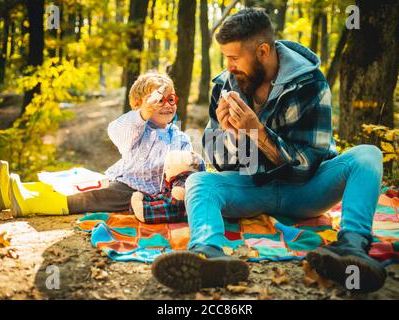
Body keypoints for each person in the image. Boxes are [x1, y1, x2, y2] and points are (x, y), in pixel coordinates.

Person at [152, 8, 386, 293]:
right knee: (199, 181)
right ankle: (207, 255)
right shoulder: (225, 85)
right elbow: (219, 163)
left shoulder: (310, 83)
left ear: (262, 50)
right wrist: (232, 137)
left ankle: (351, 248)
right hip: (253, 187)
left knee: (367, 155)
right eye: (225, 57)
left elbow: (307, 167)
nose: (229, 66)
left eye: (234, 58)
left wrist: (259, 134)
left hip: (308, 190)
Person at [0, 72, 192, 217]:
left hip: (136, 193)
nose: (167, 104)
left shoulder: (180, 138)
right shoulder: (137, 127)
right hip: (117, 179)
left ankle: (30, 202)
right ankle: (13, 192)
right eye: (158, 100)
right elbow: (116, 131)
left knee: (88, 197)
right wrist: (143, 114)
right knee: (76, 183)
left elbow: (187, 169)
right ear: (138, 105)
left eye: (171, 99)